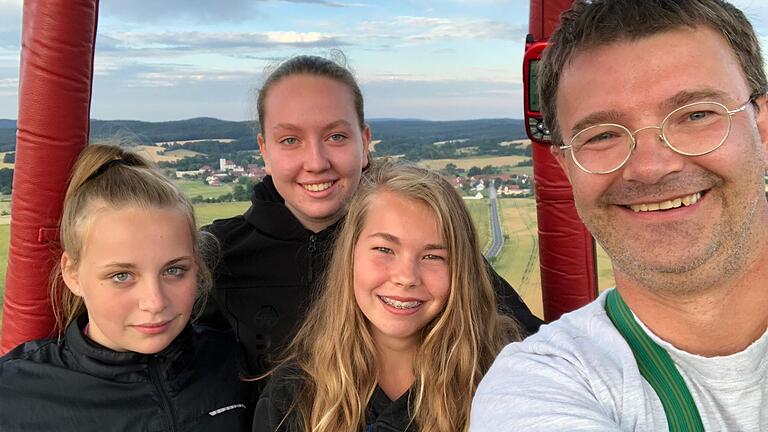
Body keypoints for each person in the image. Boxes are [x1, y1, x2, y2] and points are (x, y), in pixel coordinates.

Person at [471, 0, 768, 430]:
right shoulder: (538, 387)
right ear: (565, 166)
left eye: (696, 115)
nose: (650, 166)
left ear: (761, 127)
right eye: (603, 134)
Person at [201, 53, 543, 377]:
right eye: (290, 140)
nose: (316, 162)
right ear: (265, 151)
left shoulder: (423, 244)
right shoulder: (214, 257)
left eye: (336, 136)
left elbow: (530, 349)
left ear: (364, 143)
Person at [252, 161, 523, 432]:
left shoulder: (509, 378)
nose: (406, 277)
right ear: (350, 255)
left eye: (433, 256)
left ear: (462, 270)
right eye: (384, 249)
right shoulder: (294, 395)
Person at [0, 145, 253, 431]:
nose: (155, 302)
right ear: (72, 274)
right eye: (122, 275)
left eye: (174, 270)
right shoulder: (14, 396)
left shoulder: (235, 362)